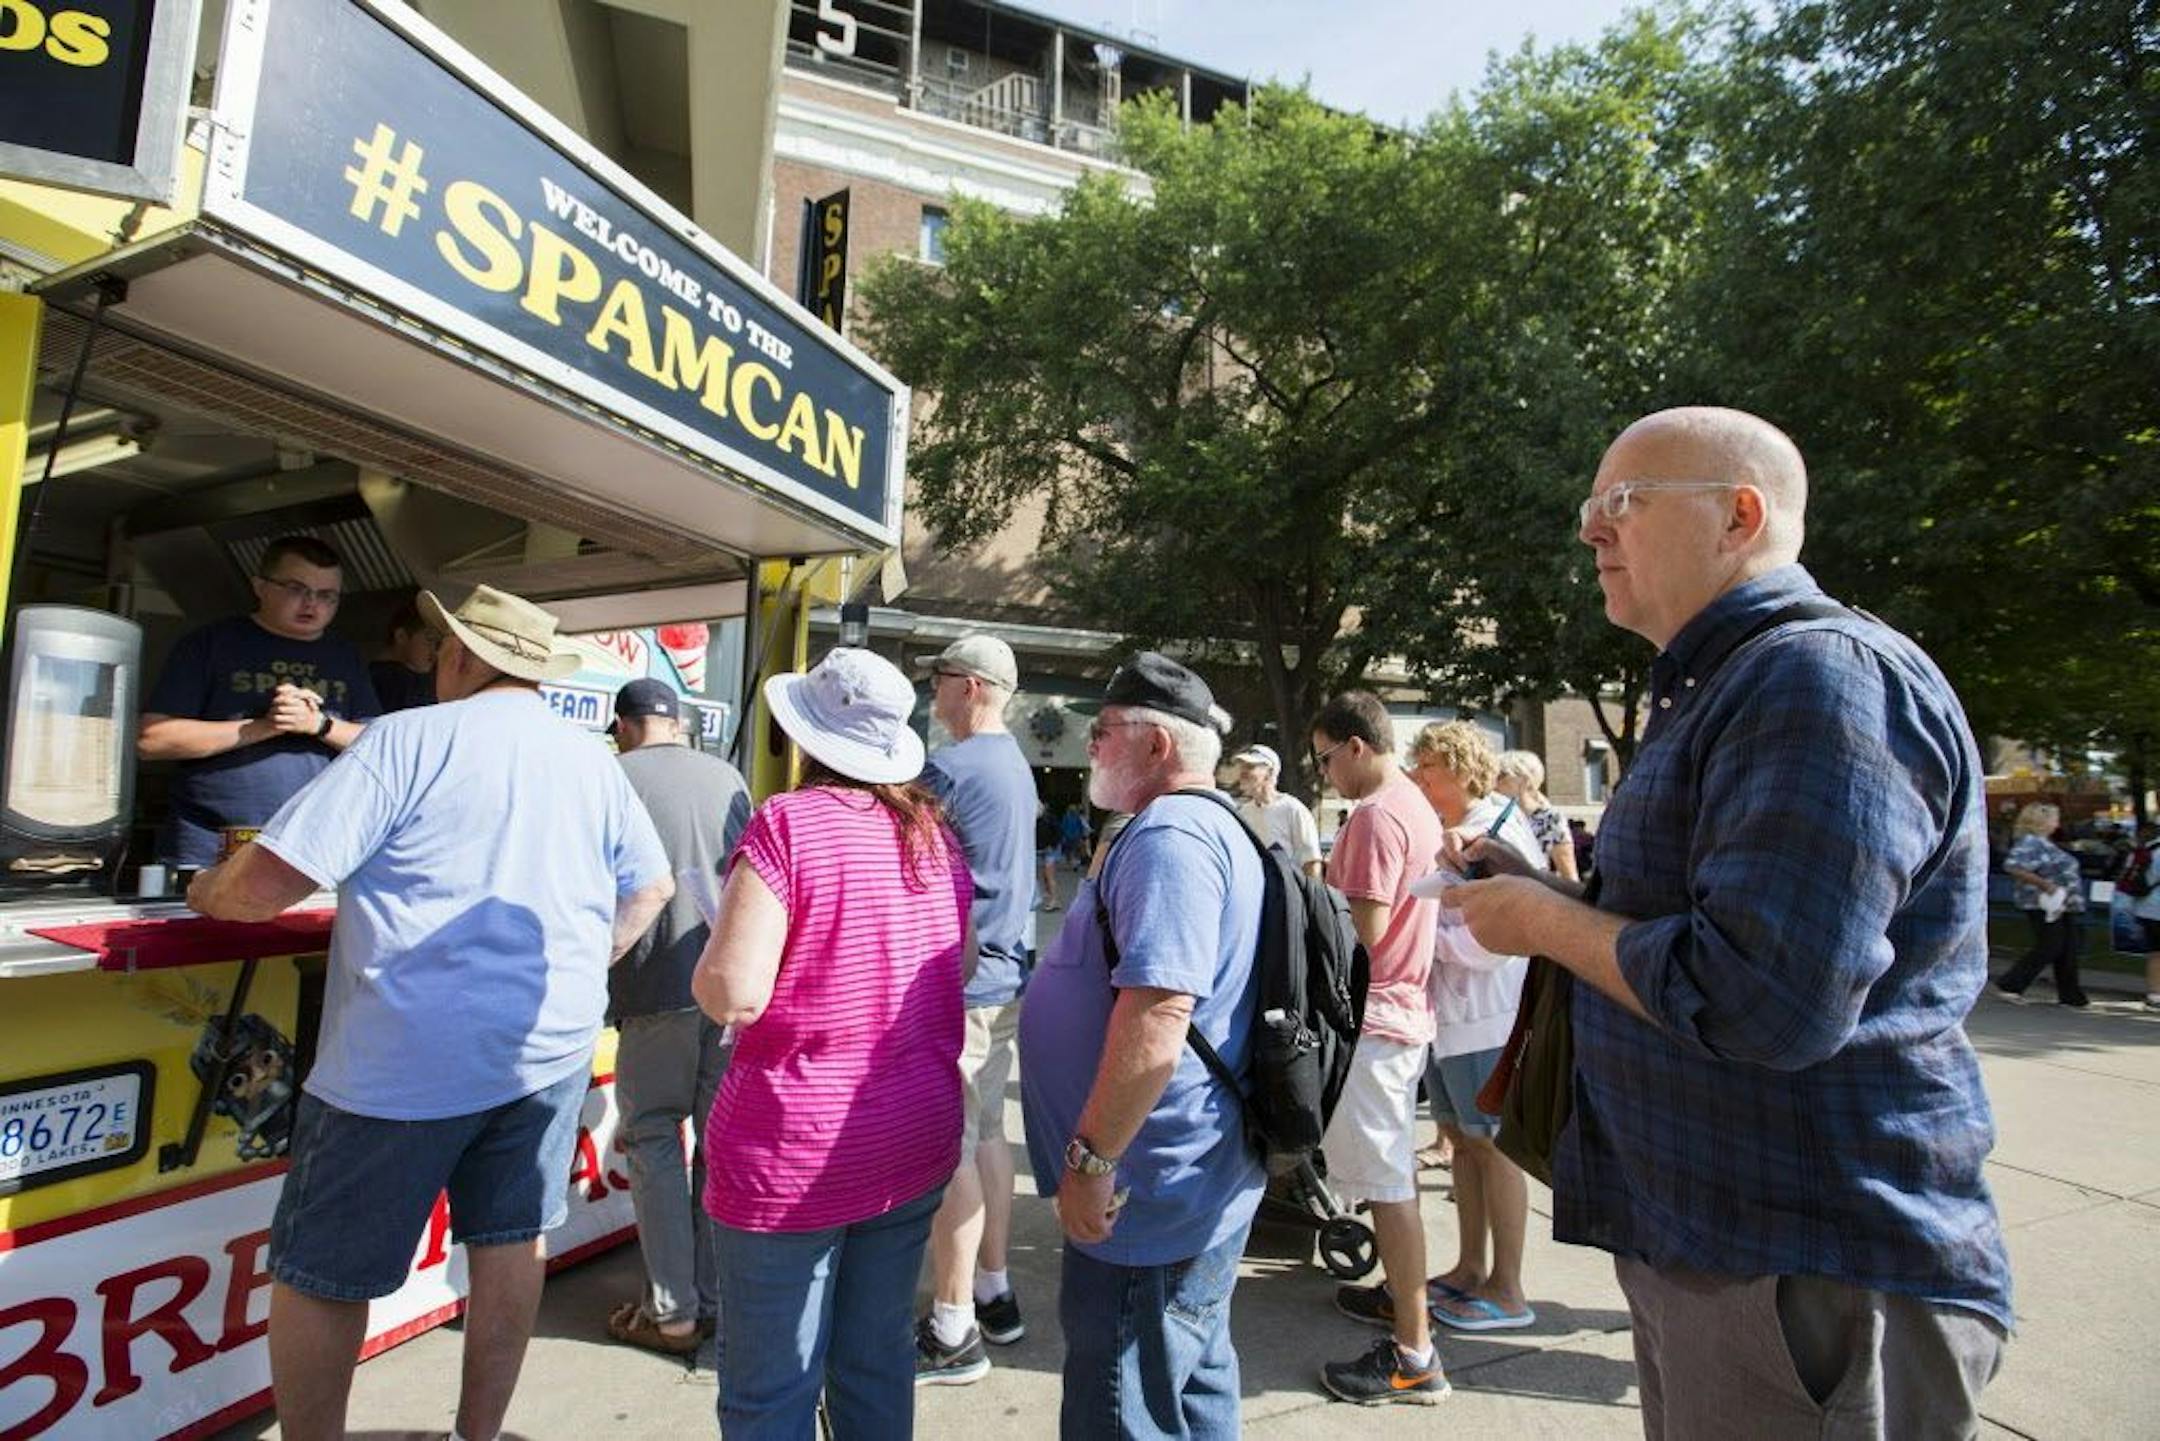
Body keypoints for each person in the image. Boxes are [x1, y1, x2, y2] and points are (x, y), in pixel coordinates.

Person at [1446, 407, 2010, 1437]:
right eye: (1591, 508)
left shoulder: (1816, 677)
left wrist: (1542, 921)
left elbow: (1766, 999)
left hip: (1809, 1264)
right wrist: (1562, 898)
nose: (1590, 533)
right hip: (1727, 1246)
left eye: (1620, 503)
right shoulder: (1734, 682)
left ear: (1739, 515)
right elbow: (1714, 930)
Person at [185, 583, 674, 1441]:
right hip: (545, 1050)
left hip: (400, 1064)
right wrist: (578, 968)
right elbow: (652, 886)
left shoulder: (405, 739)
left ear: (459, 656)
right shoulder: (590, 757)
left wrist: (203, 887)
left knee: (322, 1272)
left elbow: (260, 889)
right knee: (511, 1240)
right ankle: (475, 1436)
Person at [690, 647, 972, 1440]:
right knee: (875, 1359)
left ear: (804, 739)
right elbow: (965, 959)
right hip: (911, 1135)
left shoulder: (785, 824)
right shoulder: (935, 836)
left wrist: (711, 965)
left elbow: (735, 989)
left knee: (768, 1389)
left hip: (794, 1149)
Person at [1018, 651, 1265, 1439]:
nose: (1089, 745)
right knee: (1191, 1382)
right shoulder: (1200, 826)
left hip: (1146, 1184)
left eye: (1104, 730)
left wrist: (1090, 1160)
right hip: (1179, 1174)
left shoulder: (1172, 837)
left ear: (1157, 746)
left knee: (1124, 1409)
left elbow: (1159, 1015)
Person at [603, 677, 751, 1356]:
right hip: (725, 986)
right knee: (717, 1146)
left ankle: (674, 1311)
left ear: (625, 725)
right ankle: (715, 1297)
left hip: (651, 981)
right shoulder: (729, 777)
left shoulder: (611, 774)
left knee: (656, 1138)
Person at [1309, 689, 1448, 1406]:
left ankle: (1413, 1354)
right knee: (1397, 1179)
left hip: (1373, 1019)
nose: (1326, 772)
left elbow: (1354, 939)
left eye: (1326, 757)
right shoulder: (1417, 804)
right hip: (1404, 1013)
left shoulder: (1371, 815)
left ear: (1356, 746)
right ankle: (1401, 1299)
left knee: (1390, 1186)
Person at [911, 635, 1041, 1382]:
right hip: (998, 975)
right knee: (988, 1132)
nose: (933, 692)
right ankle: (992, 1288)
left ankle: (953, 1324)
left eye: (939, 679)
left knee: (951, 1144)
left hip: (958, 981)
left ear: (970, 686)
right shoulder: (1015, 765)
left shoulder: (951, 768)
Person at [1405, 721, 1546, 1335]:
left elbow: (1501, 936)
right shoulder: (1450, 831)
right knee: (1463, 1144)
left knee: (1494, 1148)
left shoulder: (1498, 832)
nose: (1419, 779)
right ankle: (1469, 1267)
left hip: (1490, 1017)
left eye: (1429, 768)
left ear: (1462, 770)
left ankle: (1509, 1289)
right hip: (1452, 1019)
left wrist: (1423, 940)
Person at [138, 535, 381, 867]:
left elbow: (378, 745)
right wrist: (265, 726)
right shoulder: (210, 644)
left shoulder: (346, 656)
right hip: (211, 844)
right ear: (260, 586)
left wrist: (318, 724)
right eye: (297, 589)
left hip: (312, 844)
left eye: (327, 596)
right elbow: (152, 740)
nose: (312, 604)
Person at [1992, 802, 2090, 1007]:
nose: (2057, 823)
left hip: (2062, 903)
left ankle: (2071, 994)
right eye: (2054, 818)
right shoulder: (2031, 842)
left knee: (2067, 947)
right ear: (2042, 821)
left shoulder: (2044, 843)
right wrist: (2045, 885)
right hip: (2044, 903)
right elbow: (2013, 866)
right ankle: (2011, 983)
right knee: (2051, 945)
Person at [1231, 742, 1323, 877]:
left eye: (1250, 767)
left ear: (1270, 772)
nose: (1242, 773)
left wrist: (1308, 896)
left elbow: (1311, 862)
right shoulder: (1243, 813)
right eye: (1242, 767)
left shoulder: (1293, 809)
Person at [1495, 749, 1578, 883]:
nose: (1495, 782)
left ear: (1524, 780)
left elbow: (1569, 876)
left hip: (1537, 897)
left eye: (1502, 776)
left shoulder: (1550, 819)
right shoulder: (1496, 815)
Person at [1037, 801, 1063, 910]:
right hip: (1039, 850)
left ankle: (1054, 900)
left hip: (1049, 850)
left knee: (1049, 876)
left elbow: (1059, 833)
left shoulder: (1050, 819)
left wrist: (1052, 845)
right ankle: (1049, 894)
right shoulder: (1034, 819)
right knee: (1044, 875)